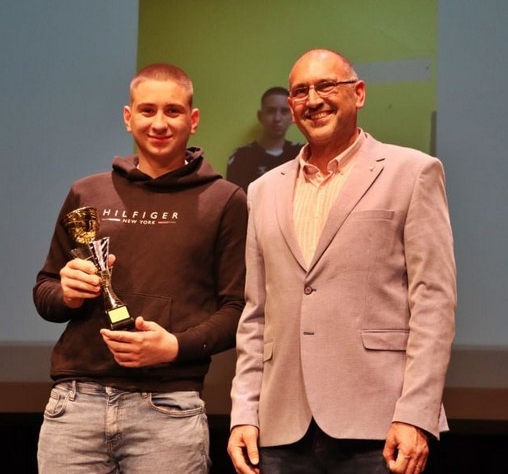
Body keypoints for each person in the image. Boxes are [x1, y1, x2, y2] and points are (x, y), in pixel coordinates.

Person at [227, 49, 457, 474]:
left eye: (327, 86)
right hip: (280, 428)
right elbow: (256, 314)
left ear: (360, 93)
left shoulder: (413, 172)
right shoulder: (262, 191)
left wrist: (416, 414)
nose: (313, 100)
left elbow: (434, 303)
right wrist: (244, 412)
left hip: (380, 426)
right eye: (301, 91)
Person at [34, 63, 247, 473]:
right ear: (128, 117)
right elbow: (45, 291)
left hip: (168, 408)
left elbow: (239, 309)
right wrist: (67, 294)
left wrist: (175, 347)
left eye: (173, 111)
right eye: (148, 110)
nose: (159, 123)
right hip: (75, 405)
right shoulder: (87, 192)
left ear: (193, 120)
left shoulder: (225, 200)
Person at [225, 86, 302, 192]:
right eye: (271, 111)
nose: (277, 118)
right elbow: (236, 199)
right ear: (260, 116)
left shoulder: (301, 154)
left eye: (284, 111)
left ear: (292, 116)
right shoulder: (241, 157)